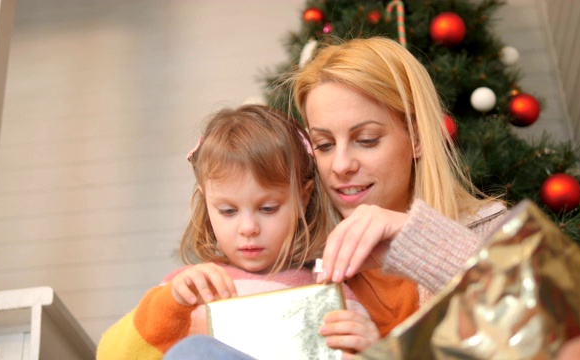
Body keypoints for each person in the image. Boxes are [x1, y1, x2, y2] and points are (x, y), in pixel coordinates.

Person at [161, 36, 508, 358]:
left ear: (416, 138)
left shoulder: (488, 233)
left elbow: (540, 327)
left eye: (367, 139)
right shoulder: (298, 263)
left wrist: (417, 238)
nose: (340, 165)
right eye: (324, 145)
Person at [96, 104, 373, 359]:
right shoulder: (186, 290)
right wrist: (172, 305)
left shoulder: (328, 290)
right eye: (228, 211)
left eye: (267, 208)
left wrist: (366, 351)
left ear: (303, 196)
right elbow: (109, 354)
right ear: (206, 202)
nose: (248, 229)